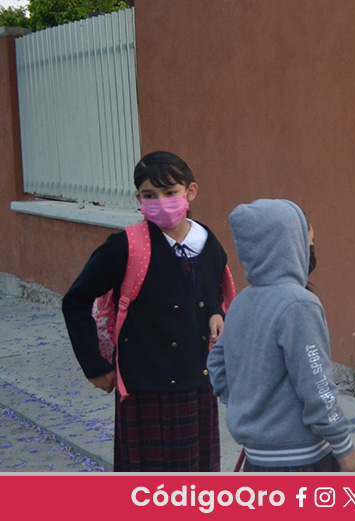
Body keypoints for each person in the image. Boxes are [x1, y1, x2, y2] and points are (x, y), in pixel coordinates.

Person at [62, 151, 229, 471]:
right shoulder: (124, 246)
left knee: (197, 476)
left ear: (190, 192)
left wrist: (215, 313)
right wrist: (94, 365)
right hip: (144, 386)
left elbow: (211, 290)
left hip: (197, 380)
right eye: (150, 195)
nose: (161, 202)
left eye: (170, 192)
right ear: (139, 199)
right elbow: (76, 301)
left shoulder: (207, 242)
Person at [207, 199, 355, 472]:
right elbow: (316, 384)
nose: (310, 250)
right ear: (289, 245)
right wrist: (344, 447)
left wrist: (247, 407)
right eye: (307, 242)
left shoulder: (241, 301)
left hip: (256, 459)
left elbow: (216, 363)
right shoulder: (298, 304)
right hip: (301, 462)